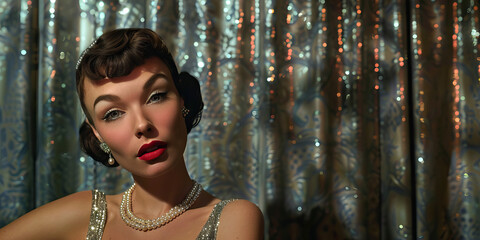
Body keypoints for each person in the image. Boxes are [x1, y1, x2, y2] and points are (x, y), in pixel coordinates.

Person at [0, 28, 264, 239]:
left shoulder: (233, 218)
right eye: (113, 113)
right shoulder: (85, 214)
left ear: (182, 101)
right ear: (97, 134)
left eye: (156, 96)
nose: (142, 125)